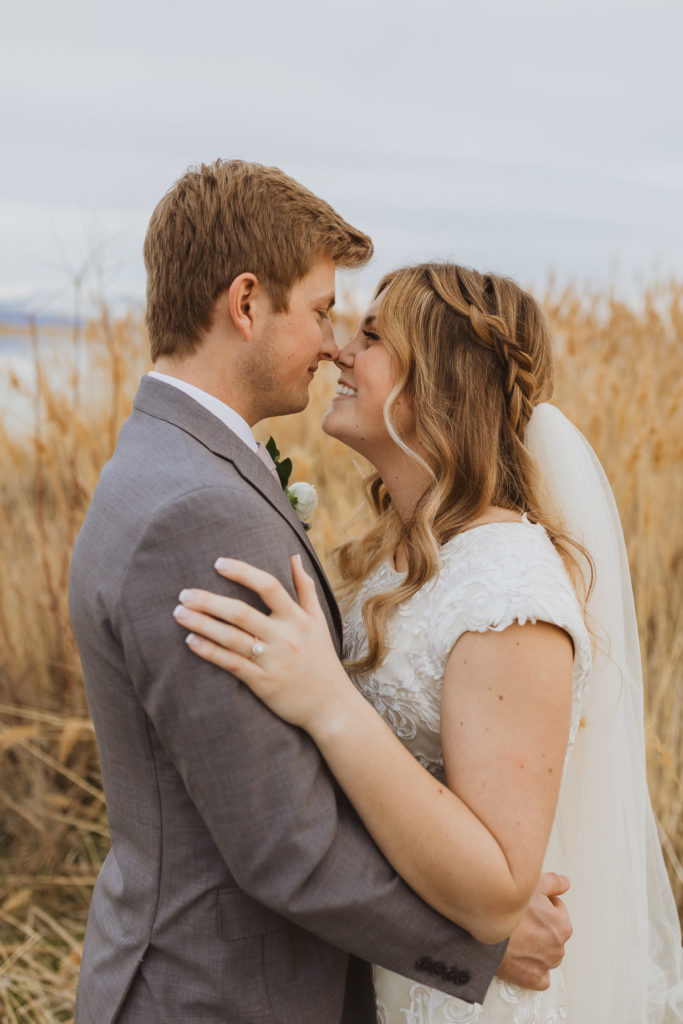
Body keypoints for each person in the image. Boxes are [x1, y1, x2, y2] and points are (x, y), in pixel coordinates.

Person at [68, 164, 571, 1024]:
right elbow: (282, 841)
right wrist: (480, 941)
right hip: (214, 993)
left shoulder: (176, 462)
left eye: (358, 330)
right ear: (246, 303)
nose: (334, 344)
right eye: (322, 311)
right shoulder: (198, 508)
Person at [174, 263, 683, 1022]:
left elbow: (497, 890)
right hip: (387, 971)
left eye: (372, 337)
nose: (340, 351)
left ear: (438, 385)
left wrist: (325, 701)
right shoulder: (399, 560)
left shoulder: (508, 592)